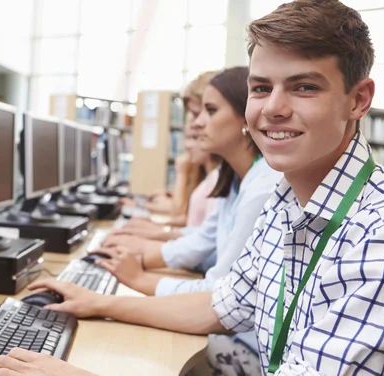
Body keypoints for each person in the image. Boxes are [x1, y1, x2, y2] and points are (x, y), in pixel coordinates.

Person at [0, 1, 384, 376]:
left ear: (359, 100)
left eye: (304, 87)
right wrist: (99, 303)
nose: (272, 108)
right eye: (261, 88)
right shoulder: (286, 199)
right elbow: (224, 304)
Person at [97, 67, 282, 285]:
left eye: (209, 111)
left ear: (246, 118)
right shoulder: (231, 176)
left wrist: (138, 276)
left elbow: (220, 288)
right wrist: (136, 259)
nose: (195, 124)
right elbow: (203, 240)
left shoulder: (261, 188)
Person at [121, 71, 219, 227]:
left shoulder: (219, 178)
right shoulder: (207, 175)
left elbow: (180, 214)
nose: (195, 124)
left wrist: (182, 173)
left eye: (198, 114)